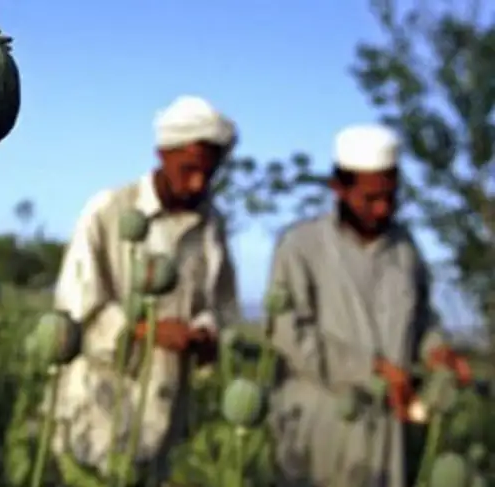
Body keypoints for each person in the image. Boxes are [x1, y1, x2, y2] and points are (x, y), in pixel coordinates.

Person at [43, 95, 240, 485]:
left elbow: (219, 302)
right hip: (99, 407)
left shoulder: (211, 223)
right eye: (188, 169)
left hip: (166, 410)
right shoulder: (109, 210)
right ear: (161, 155)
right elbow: (75, 308)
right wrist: (147, 330)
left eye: (209, 172)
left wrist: (204, 332)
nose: (199, 182)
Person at [265, 124, 472, 487]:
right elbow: (288, 334)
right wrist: (372, 370)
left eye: (391, 197)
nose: (382, 208)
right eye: (370, 198)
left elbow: (421, 319)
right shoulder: (299, 245)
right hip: (318, 425)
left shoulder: (405, 249)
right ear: (338, 189)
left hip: (387, 430)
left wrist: (438, 351)